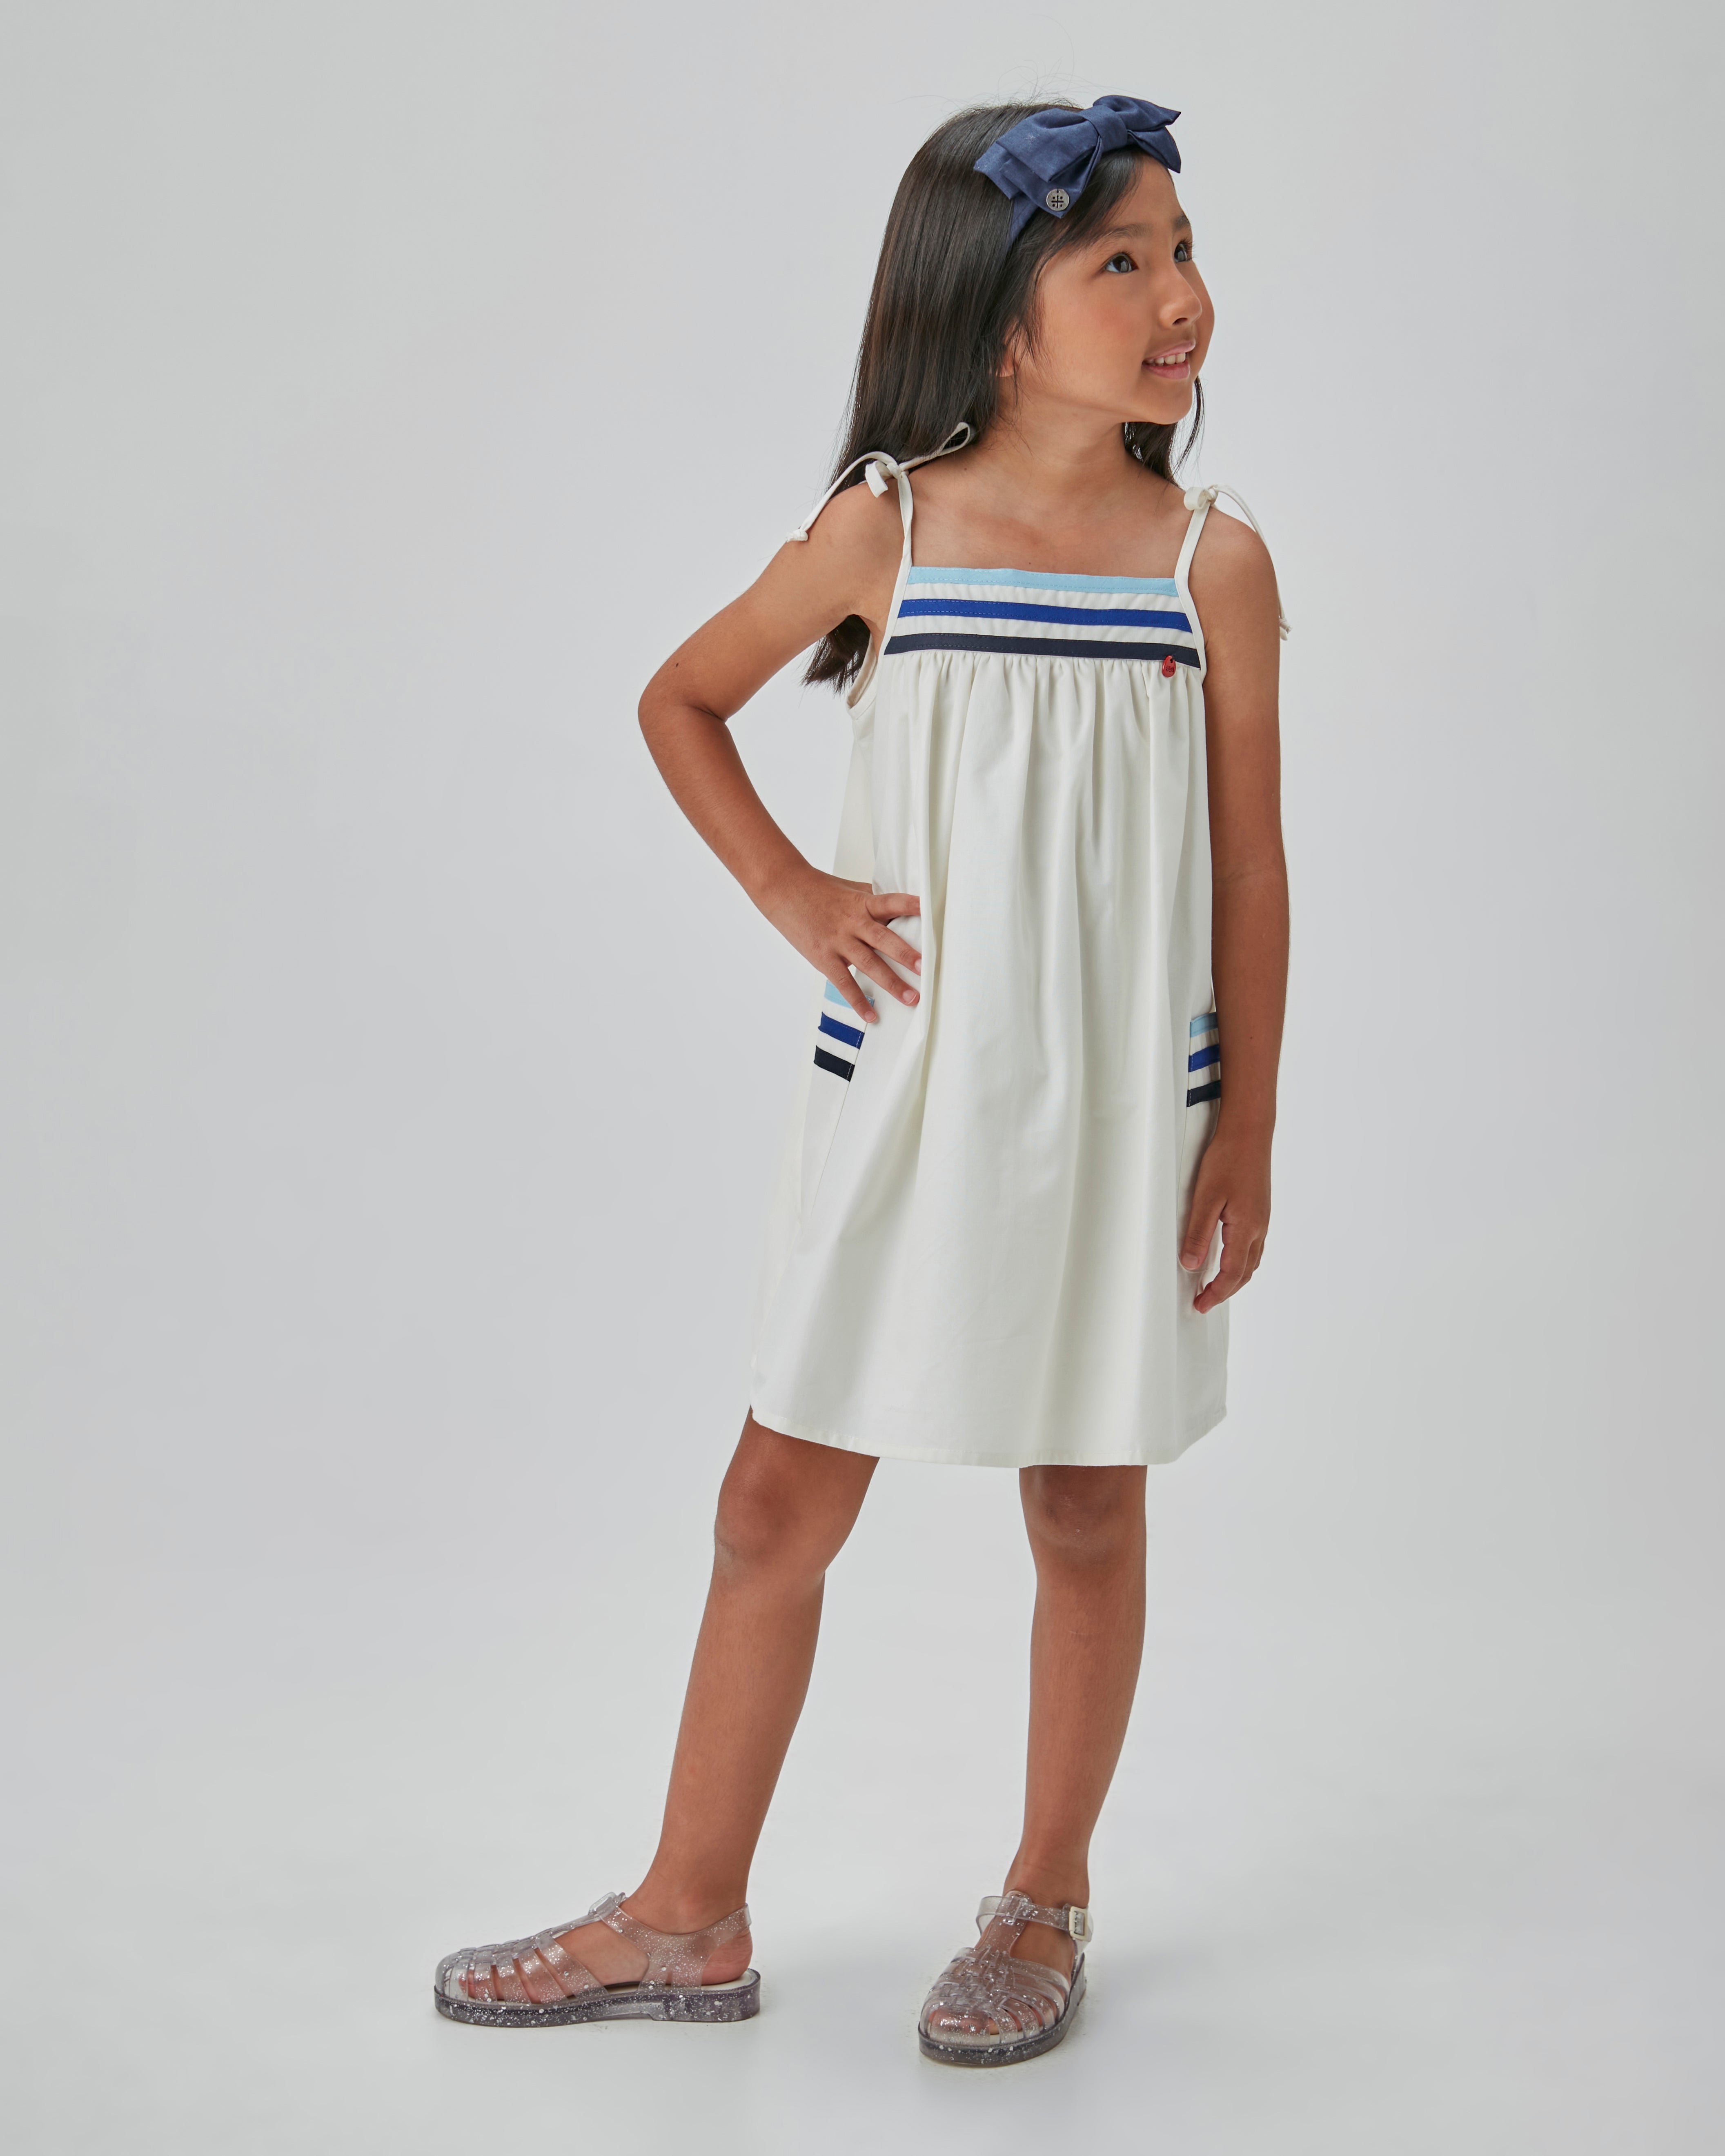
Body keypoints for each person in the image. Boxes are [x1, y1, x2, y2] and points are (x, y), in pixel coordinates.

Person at [434, 93, 1289, 2068]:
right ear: (993, 313)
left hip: (1120, 1116)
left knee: (1085, 1500)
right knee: (772, 1499)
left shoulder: (1210, 564)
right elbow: (683, 697)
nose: (1180, 297)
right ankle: (685, 1913)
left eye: (1181, 249)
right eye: (1122, 261)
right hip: (903, 1103)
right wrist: (792, 892)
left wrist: (1246, 1120)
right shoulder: (883, 529)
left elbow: (1250, 865)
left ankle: (1042, 1897)